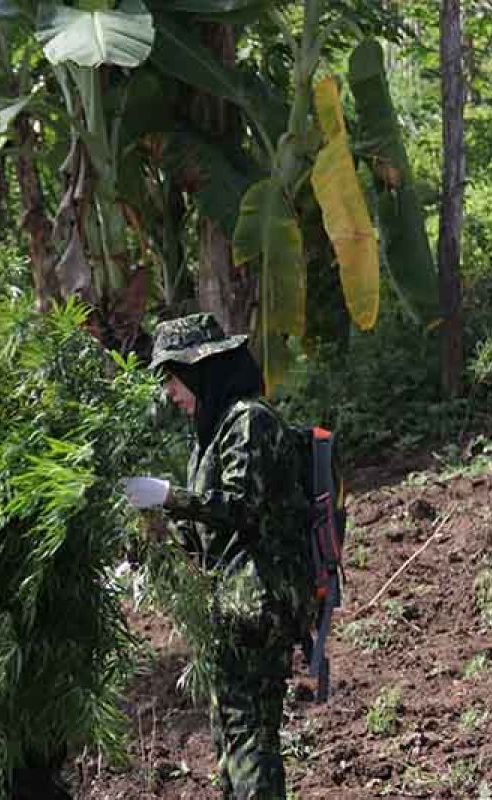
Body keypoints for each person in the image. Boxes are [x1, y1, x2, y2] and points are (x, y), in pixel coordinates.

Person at [123, 313, 311, 800]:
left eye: (173, 378)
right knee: (229, 738)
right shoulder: (210, 436)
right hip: (227, 608)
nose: (170, 393)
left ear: (201, 370)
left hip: (255, 603)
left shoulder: (250, 420)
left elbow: (242, 509)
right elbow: (203, 532)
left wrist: (169, 497)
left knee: (249, 737)